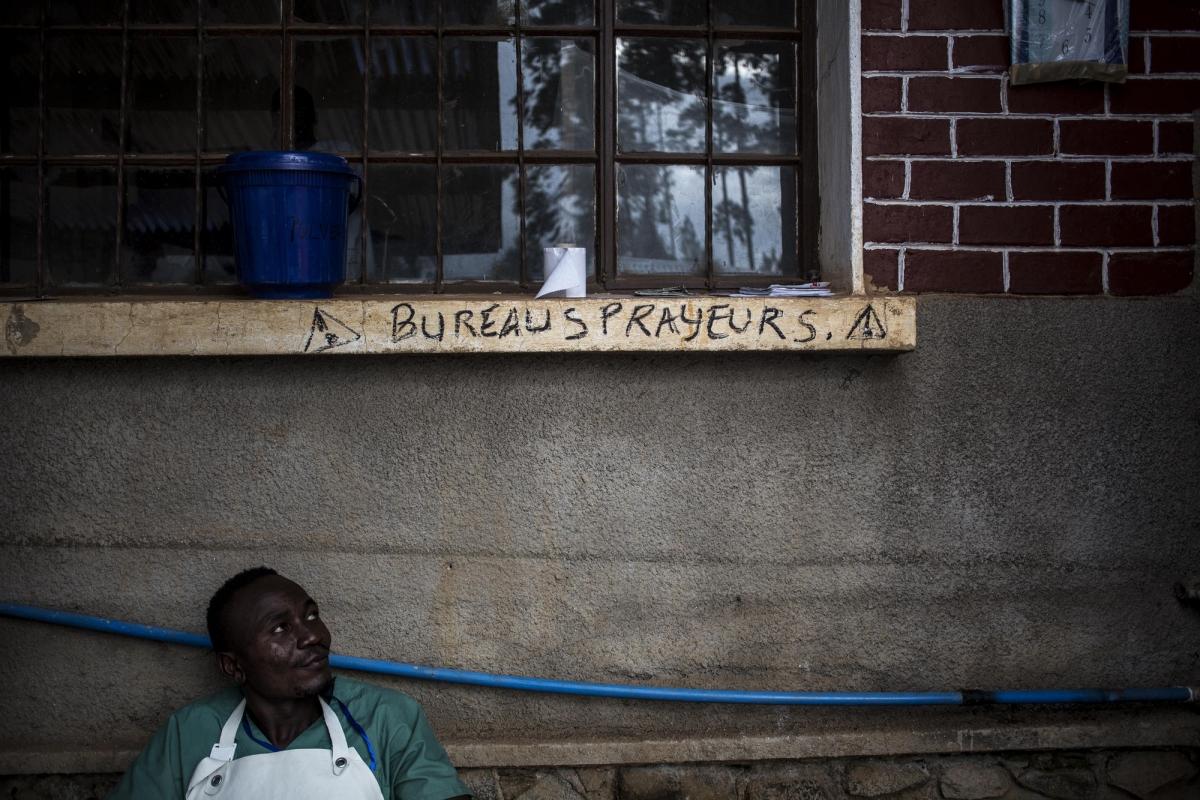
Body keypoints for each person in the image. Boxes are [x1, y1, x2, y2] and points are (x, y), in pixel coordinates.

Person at [108, 567, 471, 800]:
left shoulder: (387, 718)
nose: (313, 635)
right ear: (233, 666)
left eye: (311, 615)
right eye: (280, 628)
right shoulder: (189, 734)